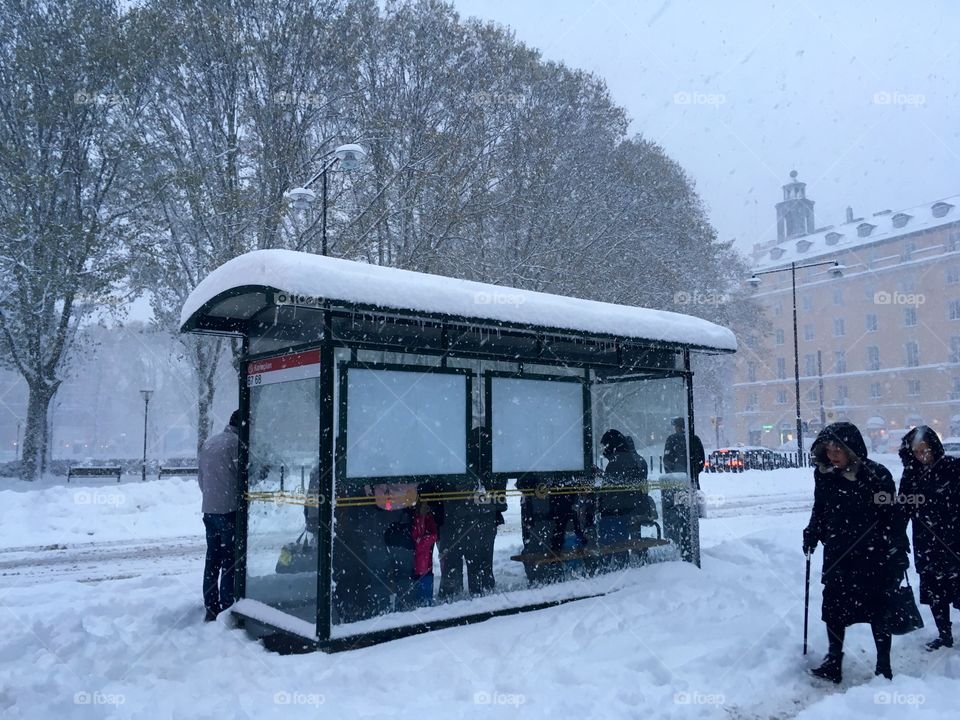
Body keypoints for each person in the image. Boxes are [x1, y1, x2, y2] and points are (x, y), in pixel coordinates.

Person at [802, 422, 909, 682]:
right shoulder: (824, 474)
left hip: (873, 555)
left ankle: (884, 666)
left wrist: (894, 546)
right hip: (838, 553)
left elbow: (892, 516)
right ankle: (833, 662)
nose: (833, 455)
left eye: (838, 449)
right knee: (834, 608)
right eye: (828, 449)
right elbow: (821, 507)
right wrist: (812, 531)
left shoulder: (876, 474)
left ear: (852, 448)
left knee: (878, 609)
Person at [898, 426, 960, 651]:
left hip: (955, 538)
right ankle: (944, 635)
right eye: (917, 451)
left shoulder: (953, 468)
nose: (922, 455)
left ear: (934, 447)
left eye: (925, 449)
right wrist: (897, 536)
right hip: (926, 542)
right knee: (935, 592)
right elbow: (903, 508)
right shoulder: (911, 474)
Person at [197, 410, 241, 622]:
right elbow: (245, 477)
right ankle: (227, 607)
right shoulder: (236, 445)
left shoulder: (210, 443)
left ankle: (211, 606)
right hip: (229, 511)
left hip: (210, 510)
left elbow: (201, 479)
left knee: (212, 559)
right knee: (230, 561)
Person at [596, 428, 649, 569]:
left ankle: (607, 569)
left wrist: (598, 503)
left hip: (616, 513)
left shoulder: (616, 463)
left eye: (605, 446)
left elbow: (609, 491)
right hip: (629, 511)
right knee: (621, 546)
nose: (604, 450)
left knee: (608, 545)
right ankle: (621, 566)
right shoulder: (633, 460)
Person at [663, 417, 705, 489]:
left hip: (677, 480)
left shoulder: (671, 440)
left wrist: (673, 472)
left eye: (676, 426)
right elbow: (701, 460)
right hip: (692, 480)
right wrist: (694, 472)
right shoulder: (694, 439)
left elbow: (666, 460)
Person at [412, 499, 439, 607]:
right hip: (417, 558)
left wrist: (423, 540)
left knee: (424, 573)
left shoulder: (427, 518)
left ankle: (424, 602)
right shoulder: (415, 518)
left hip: (424, 558)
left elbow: (433, 535)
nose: (426, 508)